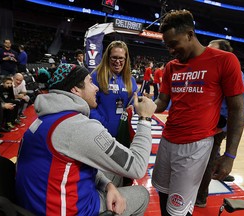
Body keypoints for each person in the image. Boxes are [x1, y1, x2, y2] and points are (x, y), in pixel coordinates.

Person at [15, 63, 156, 216]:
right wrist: (145, 118)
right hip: (66, 211)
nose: (96, 88)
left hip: (37, 204)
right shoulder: (78, 127)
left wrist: (108, 185)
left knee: (114, 174)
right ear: (75, 89)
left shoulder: (43, 119)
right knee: (142, 194)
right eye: (90, 82)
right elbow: (137, 167)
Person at [151, 10, 244, 216]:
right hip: (167, 140)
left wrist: (229, 155)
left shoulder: (225, 60)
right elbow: (162, 101)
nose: (171, 50)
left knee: (178, 209)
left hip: (195, 146)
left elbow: (238, 109)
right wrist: (147, 106)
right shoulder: (170, 67)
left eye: (174, 43)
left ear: (190, 34)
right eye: (167, 45)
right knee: (162, 193)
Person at [195, 39, 244, 208]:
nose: (208, 54)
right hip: (207, 123)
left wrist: (223, 124)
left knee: (207, 159)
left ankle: (200, 197)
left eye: (213, 51)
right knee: (210, 156)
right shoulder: (209, 70)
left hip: (218, 126)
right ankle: (218, 170)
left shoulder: (234, 73)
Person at [90, 41, 138, 186]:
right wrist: (103, 124)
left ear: (126, 59)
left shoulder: (131, 80)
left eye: (121, 58)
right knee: (100, 177)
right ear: (107, 57)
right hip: (100, 135)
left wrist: (136, 107)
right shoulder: (96, 77)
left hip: (122, 137)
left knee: (119, 176)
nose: (117, 61)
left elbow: (133, 105)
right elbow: (89, 105)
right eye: (114, 57)